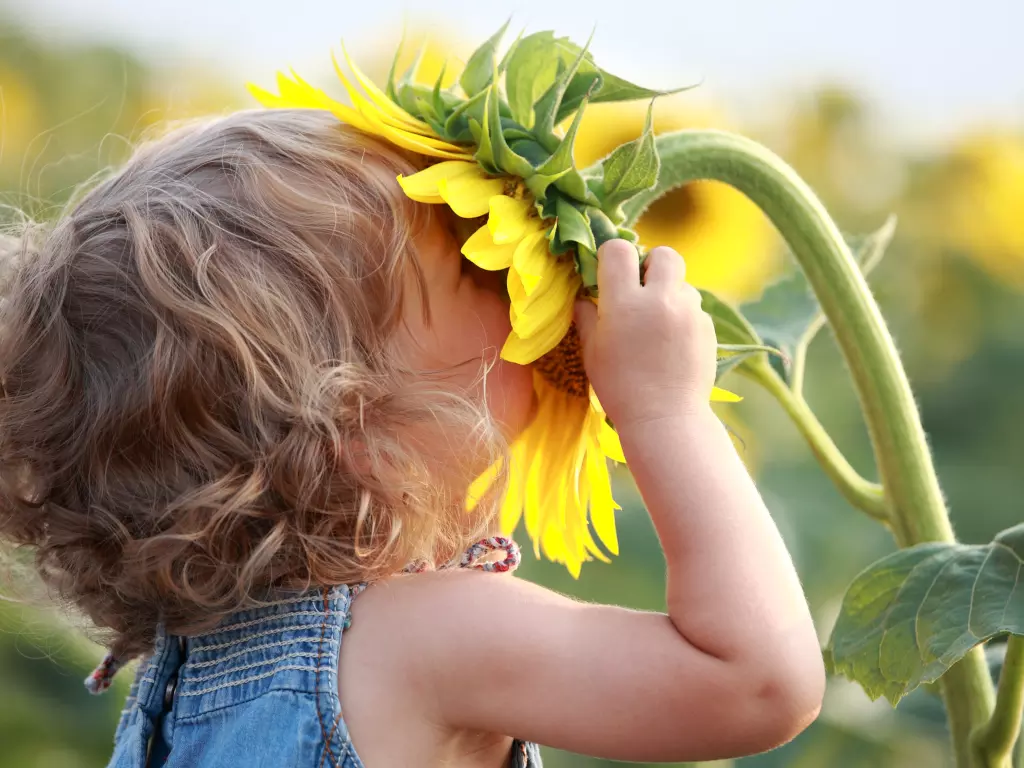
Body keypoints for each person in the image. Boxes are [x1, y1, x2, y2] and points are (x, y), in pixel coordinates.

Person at [0, 108, 824, 767]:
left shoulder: (188, 672)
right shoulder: (423, 638)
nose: (517, 289)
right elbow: (755, 683)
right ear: (360, 431)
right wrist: (666, 410)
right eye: (475, 268)